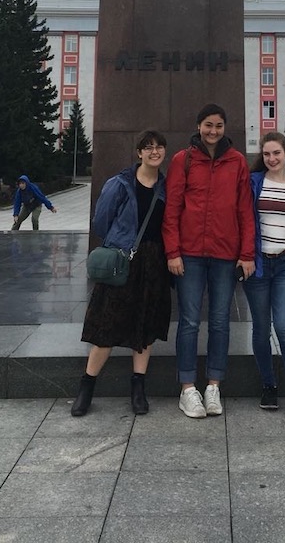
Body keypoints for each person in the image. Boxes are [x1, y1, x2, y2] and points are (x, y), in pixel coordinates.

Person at [162, 104, 255, 418]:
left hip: (225, 255)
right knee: (188, 322)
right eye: (207, 125)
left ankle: (213, 385)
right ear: (198, 126)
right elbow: (172, 209)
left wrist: (247, 254)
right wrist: (172, 252)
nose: (213, 131)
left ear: (224, 128)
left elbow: (245, 210)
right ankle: (187, 388)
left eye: (218, 125)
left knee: (219, 322)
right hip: (189, 254)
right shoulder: (183, 160)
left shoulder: (237, 162)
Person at [71, 130, 170, 418]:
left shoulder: (166, 187)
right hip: (123, 260)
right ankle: (86, 386)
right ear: (139, 153)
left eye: (159, 146)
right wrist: (122, 241)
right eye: (148, 147)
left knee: (145, 326)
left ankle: (138, 388)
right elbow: (101, 222)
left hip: (153, 263)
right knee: (107, 325)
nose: (154, 151)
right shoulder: (120, 183)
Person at [244, 132, 285, 420]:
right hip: (258, 264)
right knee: (261, 327)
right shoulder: (255, 182)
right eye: (267, 154)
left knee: (283, 325)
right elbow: (244, 219)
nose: (272, 158)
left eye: (277, 153)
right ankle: (269, 385)